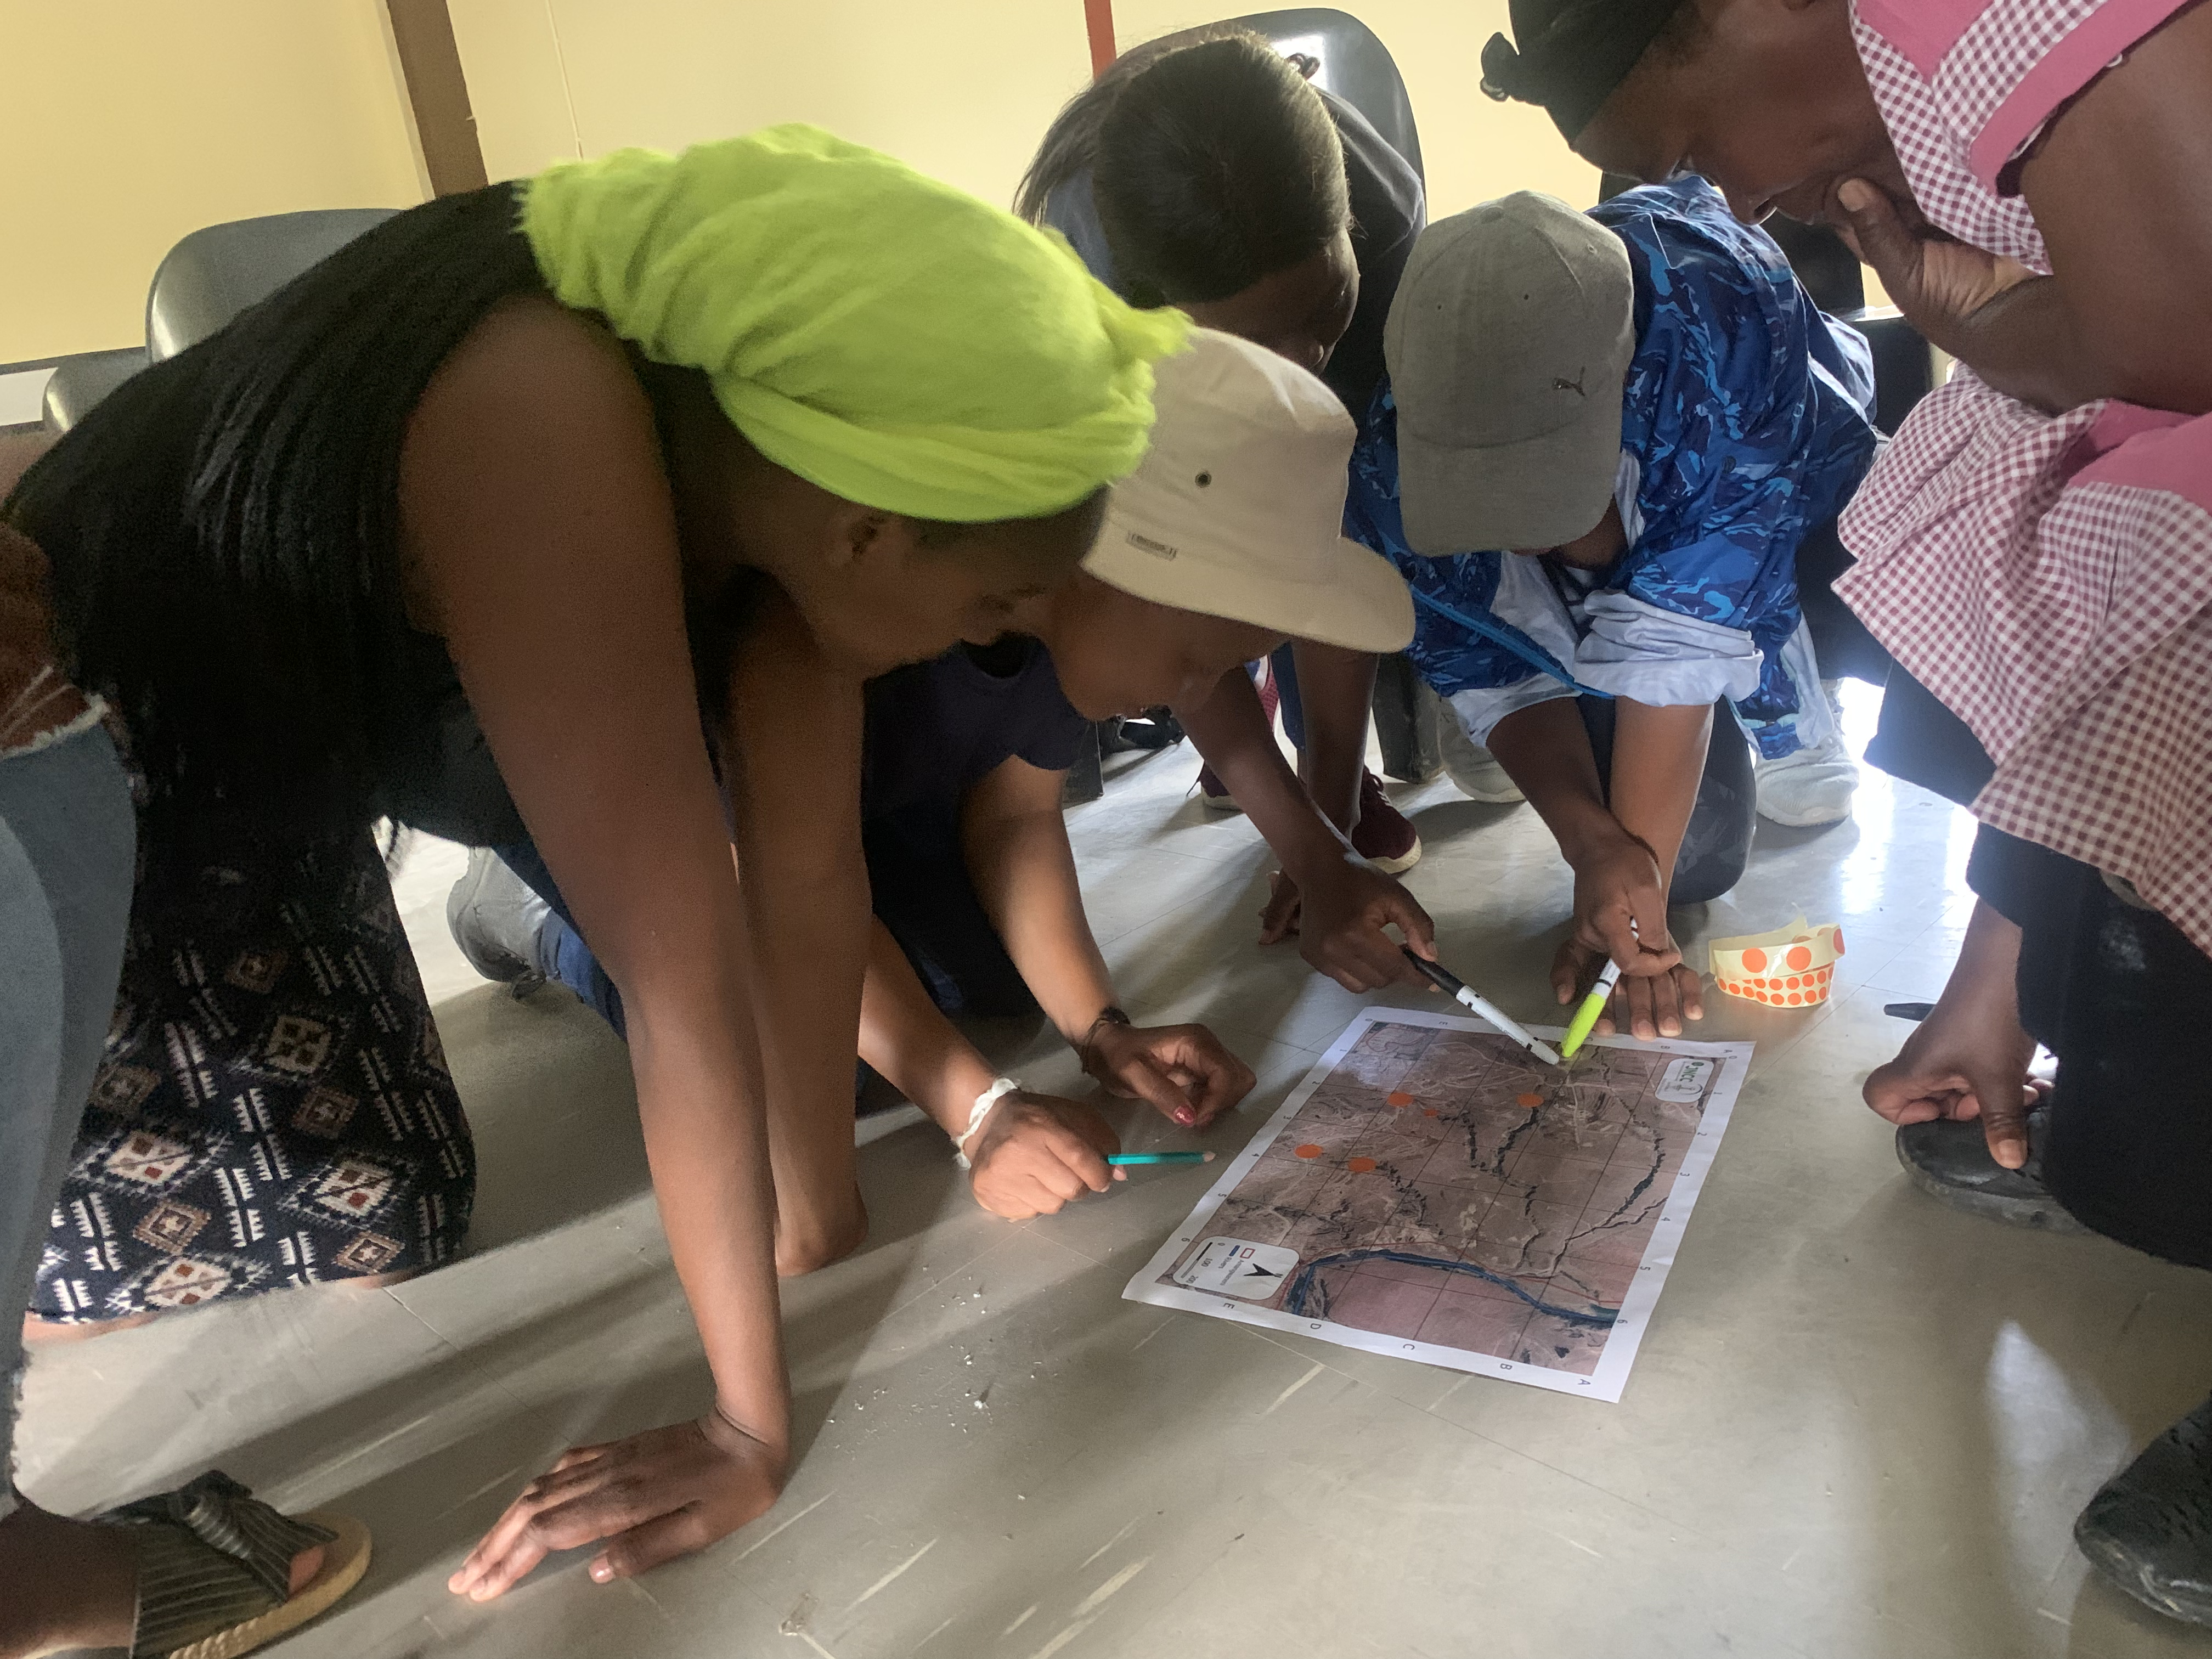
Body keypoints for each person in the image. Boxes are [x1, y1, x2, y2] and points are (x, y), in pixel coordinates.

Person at [0, 126, 1182, 1651]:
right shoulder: (537, 417)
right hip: (70, 749)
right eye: (998, 599)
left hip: (285, 777)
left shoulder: (791, 502)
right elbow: (683, 972)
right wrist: (751, 1432)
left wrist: (815, 1214)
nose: (996, 639)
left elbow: (808, 889)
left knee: (394, 1211)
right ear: (870, 531)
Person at [1478, 0, 2212, 1625]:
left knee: (2163, 1138)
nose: (1723, 198)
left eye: (1687, 147)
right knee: (1973, 501)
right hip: (2157, 464)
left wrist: (1640, 866)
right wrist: (1991, 990)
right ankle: (2023, 1010)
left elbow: (2168, 331)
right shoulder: (1896, 135)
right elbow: (2084, 368)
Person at [451, 326, 1413, 1227]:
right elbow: (784, 885)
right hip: (697, 836)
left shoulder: (1057, 621)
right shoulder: (876, 598)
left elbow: (1016, 823)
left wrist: (1103, 1033)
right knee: (802, 1049)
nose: (1196, 697)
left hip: (869, 817)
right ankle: (532, 912)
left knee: (987, 987)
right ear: (1107, 564)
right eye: (1200, 659)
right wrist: (979, 1111)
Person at [1338, 184, 1876, 1040]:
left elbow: (1676, 636)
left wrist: (1640, 895)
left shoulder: (1721, 354)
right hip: (1658, 520)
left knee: (1682, 859)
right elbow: (1491, 667)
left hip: (1791, 491)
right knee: (1673, 851)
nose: (1525, 538)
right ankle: (1600, 627)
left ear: (1625, 388)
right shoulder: (1383, 466)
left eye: (1544, 502)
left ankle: (1778, 657)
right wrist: (1594, 846)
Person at [1018, 24, 1451, 871]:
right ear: (1164, 319)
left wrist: (1326, 808)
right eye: (1255, 344)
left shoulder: (1389, 227)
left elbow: (1330, 544)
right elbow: (1161, 569)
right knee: (1195, 592)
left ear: (1350, 233)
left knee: (1323, 514)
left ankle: (1325, 760)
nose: (1303, 364)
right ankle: (1242, 719)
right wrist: (1298, 843)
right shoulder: (1091, 301)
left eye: (1321, 311)